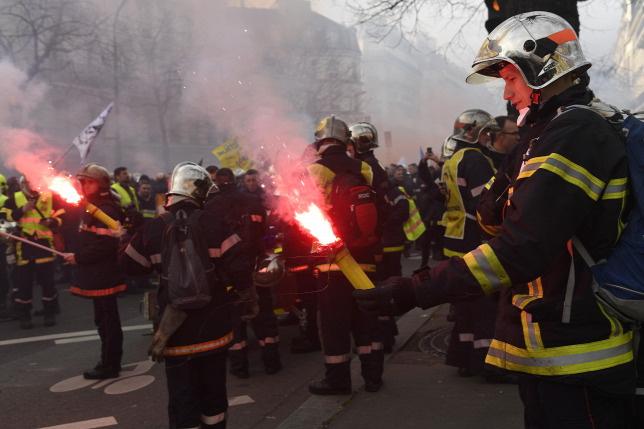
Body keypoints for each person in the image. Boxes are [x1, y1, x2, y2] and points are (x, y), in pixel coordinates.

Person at [354, 11, 637, 428]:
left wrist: (414, 290)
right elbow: (491, 214)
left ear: (540, 69)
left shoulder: (575, 134)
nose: (507, 95)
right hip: (553, 348)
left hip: (577, 356)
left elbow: (521, 246)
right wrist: (527, 140)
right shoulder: (555, 130)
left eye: (510, 78)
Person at [120, 162, 257, 429]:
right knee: (214, 398)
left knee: (183, 399)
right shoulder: (216, 224)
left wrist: (126, 234)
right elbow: (240, 267)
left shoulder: (153, 229)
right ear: (199, 192)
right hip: (214, 328)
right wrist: (250, 299)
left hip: (175, 333)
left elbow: (128, 266)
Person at [307, 115, 384, 395]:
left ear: (319, 142)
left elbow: (298, 218)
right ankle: (373, 377)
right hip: (363, 259)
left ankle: (338, 380)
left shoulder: (313, 171)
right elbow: (382, 210)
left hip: (330, 262)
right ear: (346, 141)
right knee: (366, 321)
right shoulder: (364, 167)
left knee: (334, 324)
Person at [206, 167, 281, 378]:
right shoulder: (252, 201)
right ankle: (271, 362)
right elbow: (266, 234)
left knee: (234, 321)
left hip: (228, 273)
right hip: (256, 269)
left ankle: (240, 368)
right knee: (264, 315)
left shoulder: (210, 207)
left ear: (217, 184)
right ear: (236, 181)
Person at [63, 164, 125, 379]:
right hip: (99, 272)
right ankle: (109, 360)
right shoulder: (93, 206)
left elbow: (105, 245)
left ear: (102, 184)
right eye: (84, 182)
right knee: (105, 319)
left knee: (107, 321)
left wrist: (78, 258)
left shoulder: (105, 209)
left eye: (91, 181)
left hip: (104, 274)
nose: (86, 186)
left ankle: (110, 363)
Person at [3, 176, 65, 329]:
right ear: (21, 184)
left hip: (44, 245)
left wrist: (53, 221)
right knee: (23, 284)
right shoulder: (15, 198)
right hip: (24, 246)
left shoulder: (48, 196)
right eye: (26, 183)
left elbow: (61, 214)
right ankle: (24, 315)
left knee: (47, 282)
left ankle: (49, 312)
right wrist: (21, 210)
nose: (30, 186)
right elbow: (4, 216)